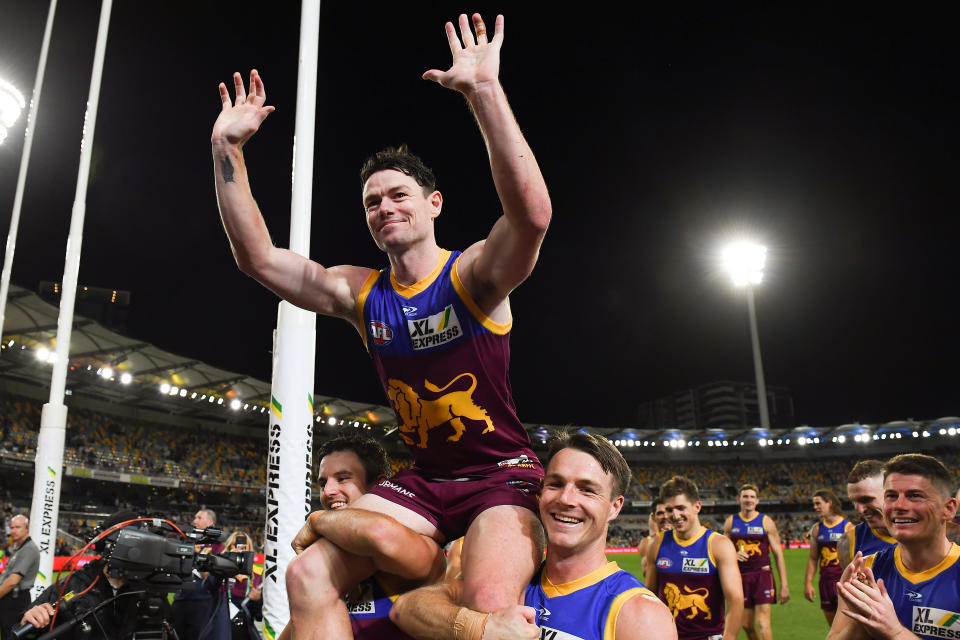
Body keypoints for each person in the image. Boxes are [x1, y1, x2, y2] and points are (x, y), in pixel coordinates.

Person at [213, 11, 551, 639]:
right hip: (424, 482)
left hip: (500, 474)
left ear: (433, 203)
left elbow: (531, 217)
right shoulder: (360, 291)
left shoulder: (471, 275)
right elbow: (258, 259)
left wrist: (484, 93)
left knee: (484, 597)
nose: (384, 208)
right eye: (372, 201)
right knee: (305, 575)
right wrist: (227, 148)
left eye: (398, 195)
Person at [385, 431, 676, 640]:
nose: (566, 498)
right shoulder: (511, 580)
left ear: (615, 507)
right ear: (540, 492)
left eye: (587, 489)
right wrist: (480, 628)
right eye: (556, 483)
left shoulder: (639, 615)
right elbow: (407, 609)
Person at [291, 435, 443, 639]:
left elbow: (380, 534)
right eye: (322, 482)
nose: (327, 491)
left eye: (343, 478)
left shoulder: (423, 546)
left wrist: (316, 520)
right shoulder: (320, 563)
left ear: (379, 487)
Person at [827, 454, 960, 640]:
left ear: (949, 509)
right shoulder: (865, 571)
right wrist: (862, 616)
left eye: (915, 495)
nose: (899, 505)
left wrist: (895, 632)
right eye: (891, 496)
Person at [18, 511, 169, 640]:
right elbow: (22, 631)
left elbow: (170, 628)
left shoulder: (152, 588)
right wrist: (31, 620)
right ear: (109, 545)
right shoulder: (75, 584)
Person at [646, 476, 743, 640]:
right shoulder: (657, 544)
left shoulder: (719, 545)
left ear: (697, 506)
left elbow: (736, 600)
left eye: (680, 508)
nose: (675, 515)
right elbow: (650, 596)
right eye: (669, 510)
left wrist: (730, 636)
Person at [722, 484, 789, 640]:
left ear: (757, 500)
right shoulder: (731, 522)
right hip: (741, 577)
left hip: (762, 575)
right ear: (739, 499)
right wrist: (734, 554)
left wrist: (784, 585)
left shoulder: (766, 522)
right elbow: (723, 549)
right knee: (746, 625)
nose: (749, 500)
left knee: (763, 623)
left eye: (752, 497)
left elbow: (778, 554)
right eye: (745, 496)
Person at [171, 509, 230, 640]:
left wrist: (198, 556)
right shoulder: (188, 541)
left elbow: (213, 577)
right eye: (195, 517)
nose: (194, 521)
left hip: (201, 601)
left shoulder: (217, 546)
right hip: (181, 598)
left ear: (210, 522)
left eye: (199, 518)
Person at [804, 489, 853, 626]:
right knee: (833, 628)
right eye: (814, 504)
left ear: (829, 503)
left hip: (844, 582)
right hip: (825, 583)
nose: (815, 507)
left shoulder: (848, 527)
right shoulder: (817, 529)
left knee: (848, 627)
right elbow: (813, 558)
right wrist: (808, 582)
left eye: (818, 503)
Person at [837, 460, 897, 567]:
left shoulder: (927, 535)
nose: (859, 510)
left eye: (866, 499)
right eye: (854, 502)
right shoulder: (848, 542)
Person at [0, 515, 39, 640]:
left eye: (17, 527)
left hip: (15, 601)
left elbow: (12, 582)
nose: (13, 531)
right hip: (9, 599)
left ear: (26, 528)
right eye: (12, 527)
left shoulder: (29, 549)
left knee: (11, 635)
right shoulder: (20, 548)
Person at [224, 530, 261, 639]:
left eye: (244, 546)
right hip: (223, 629)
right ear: (230, 548)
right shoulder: (221, 572)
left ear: (249, 549)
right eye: (236, 545)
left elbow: (259, 616)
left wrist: (257, 600)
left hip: (245, 630)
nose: (240, 549)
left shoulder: (257, 575)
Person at [638, 500, 671, 581]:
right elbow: (646, 573)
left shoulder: (688, 540)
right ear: (653, 517)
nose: (665, 516)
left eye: (668, 511)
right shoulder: (647, 543)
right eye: (660, 513)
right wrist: (659, 538)